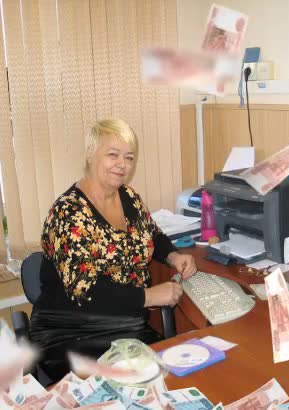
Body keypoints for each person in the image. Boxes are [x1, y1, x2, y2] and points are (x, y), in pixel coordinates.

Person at [30, 119, 196, 383]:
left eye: (129, 157)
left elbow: (152, 235)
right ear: (90, 154)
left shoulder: (128, 197)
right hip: (71, 331)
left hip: (126, 324)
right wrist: (148, 296)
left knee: (173, 372)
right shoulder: (68, 213)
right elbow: (85, 290)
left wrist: (173, 255)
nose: (122, 164)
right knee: (125, 386)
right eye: (113, 155)